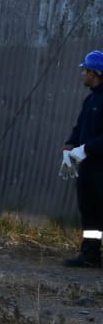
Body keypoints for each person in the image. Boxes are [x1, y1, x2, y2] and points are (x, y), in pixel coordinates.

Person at [63, 50, 103, 267]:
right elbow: (80, 127)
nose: (82, 74)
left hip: (100, 166)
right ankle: (90, 253)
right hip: (87, 166)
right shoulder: (91, 99)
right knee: (89, 210)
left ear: (94, 73)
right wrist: (70, 145)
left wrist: (86, 148)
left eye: (85, 70)